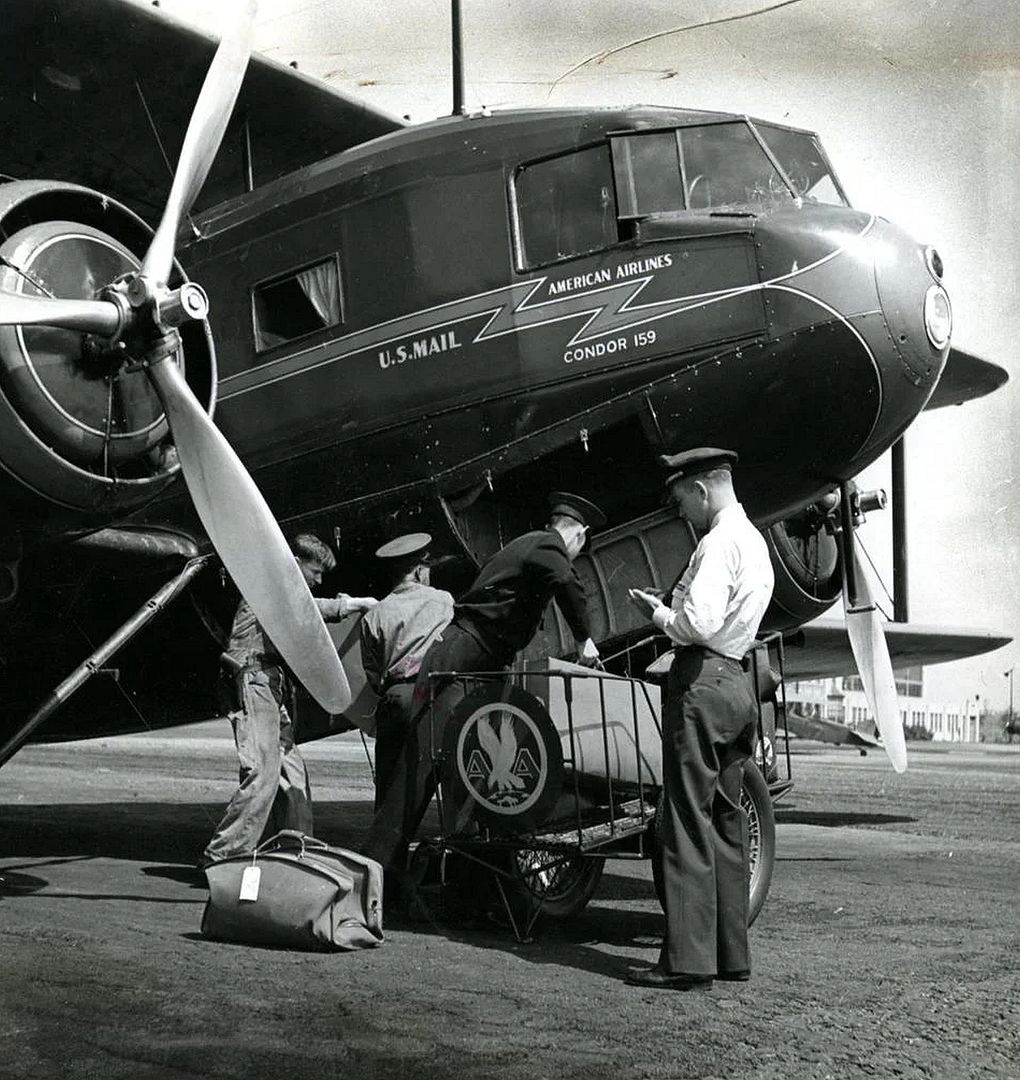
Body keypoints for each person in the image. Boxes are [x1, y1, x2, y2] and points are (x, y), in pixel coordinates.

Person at [363, 491, 605, 876]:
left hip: (480, 656)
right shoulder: (548, 544)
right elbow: (566, 580)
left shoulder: (527, 546)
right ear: (579, 535)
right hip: (468, 653)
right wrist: (584, 638)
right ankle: (374, 873)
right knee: (427, 755)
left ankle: (464, 871)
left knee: (467, 756)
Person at [625, 448, 774, 991]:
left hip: (703, 683)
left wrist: (658, 615)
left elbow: (699, 620)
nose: (680, 510)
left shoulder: (717, 543)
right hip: (739, 683)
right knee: (729, 822)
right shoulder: (756, 542)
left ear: (702, 489)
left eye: (681, 498)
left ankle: (687, 963)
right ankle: (732, 956)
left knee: (687, 820)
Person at [202, 533, 377, 866]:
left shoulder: (284, 590)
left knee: (292, 774)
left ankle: (297, 853)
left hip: (270, 683)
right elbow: (307, 610)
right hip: (252, 678)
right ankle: (222, 857)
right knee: (263, 774)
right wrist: (357, 603)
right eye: (316, 572)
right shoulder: (271, 583)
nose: (319, 580)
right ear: (296, 564)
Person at [360, 533, 454, 809]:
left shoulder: (373, 615)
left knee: (389, 781)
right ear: (418, 570)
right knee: (449, 770)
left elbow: (373, 673)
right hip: (438, 695)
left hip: (397, 698)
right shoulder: (444, 601)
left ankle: (385, 848)